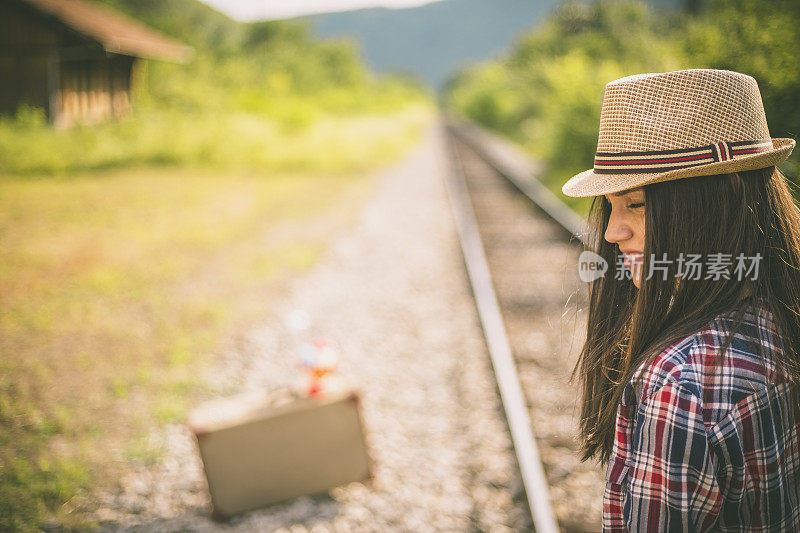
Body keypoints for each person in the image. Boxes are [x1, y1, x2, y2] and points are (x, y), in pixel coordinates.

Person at [561, 69, 800, 531]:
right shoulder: (777, 315)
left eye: (638, 204)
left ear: (716, 201)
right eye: (610, 206)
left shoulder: (679, 384)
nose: (612, 233)